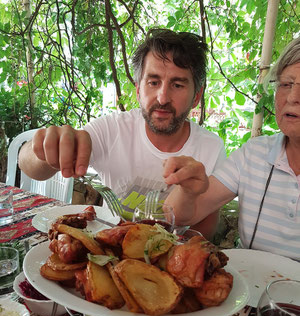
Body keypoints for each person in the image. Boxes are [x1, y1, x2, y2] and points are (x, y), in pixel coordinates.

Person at [18, 28, 226, 239]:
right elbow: (29, 167)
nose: (163, 97)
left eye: (178, 84)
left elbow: (203, 234)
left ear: (196, 96)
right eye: (153, 82)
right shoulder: (111, 129)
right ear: (138, 90)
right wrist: (43, 149)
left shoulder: (211, 149)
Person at [164, 36, 300, 261]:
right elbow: (175, 216)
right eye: (286, 84)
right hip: (254, 289)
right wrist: (188, 190)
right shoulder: (254, 154)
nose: (293, 97)